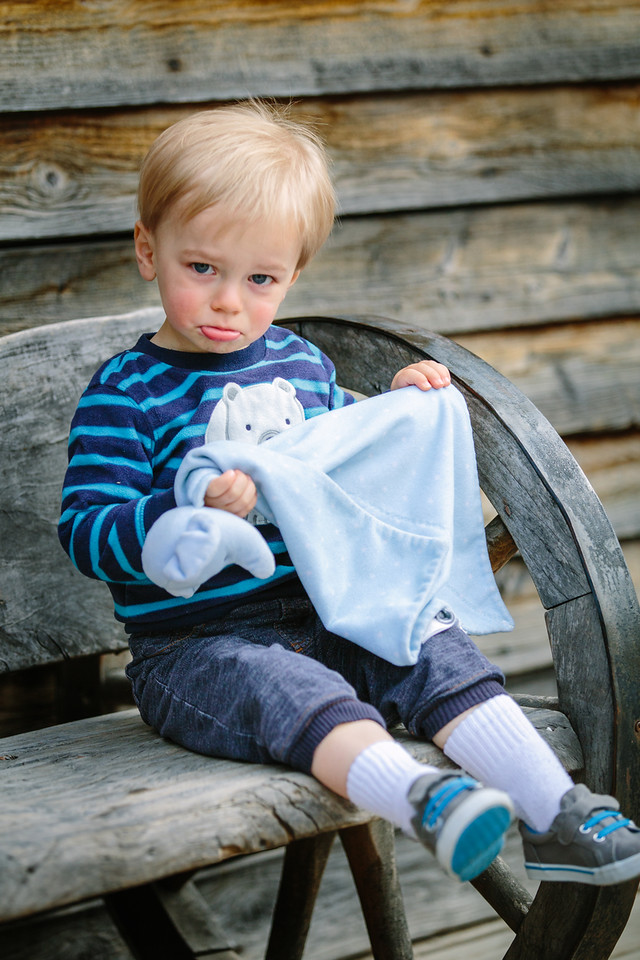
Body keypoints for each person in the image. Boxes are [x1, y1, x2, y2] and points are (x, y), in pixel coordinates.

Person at [59, 100, 640, 887]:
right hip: (196, 649)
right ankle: (420, 798)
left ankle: (557, 812)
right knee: (284, 688)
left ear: (292, 275)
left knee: (426, 640)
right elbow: (84, 527)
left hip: (330, 608)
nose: (229, 301)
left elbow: (350, 459)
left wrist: (399, 409)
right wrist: (177, 512)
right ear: (147, 249)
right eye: (202, 269)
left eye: (260, 279)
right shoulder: (125, 394)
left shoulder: (302, 366)